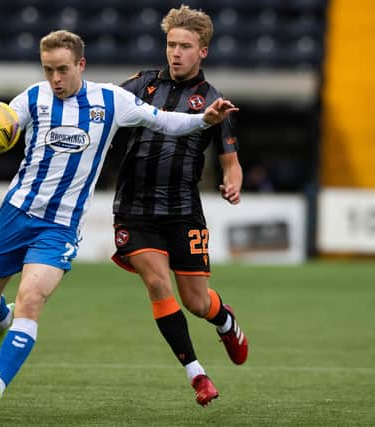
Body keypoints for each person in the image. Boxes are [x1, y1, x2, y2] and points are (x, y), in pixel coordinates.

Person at [0, 29, 238, 419]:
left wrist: (202, 119)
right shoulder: (32, 98)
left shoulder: (110, 101)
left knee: (32, 299)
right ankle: (0, 320)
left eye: (62, 70)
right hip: (15, 214)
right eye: (48, 70)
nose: (55, 79)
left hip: (60, 228)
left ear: (80, 65)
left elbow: (165, 121)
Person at [110, 5, 249, 407]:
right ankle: (198, 375)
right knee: (156, 283)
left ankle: (224, 319)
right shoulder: (140, 85)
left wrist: (232, 185)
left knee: (196, 302)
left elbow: (231, 162)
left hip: (183, 210)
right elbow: (100, 108)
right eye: (171, 44)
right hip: (134, 208)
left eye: (185, 46)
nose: (176, 53)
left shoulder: (213, 101)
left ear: (202, 51)